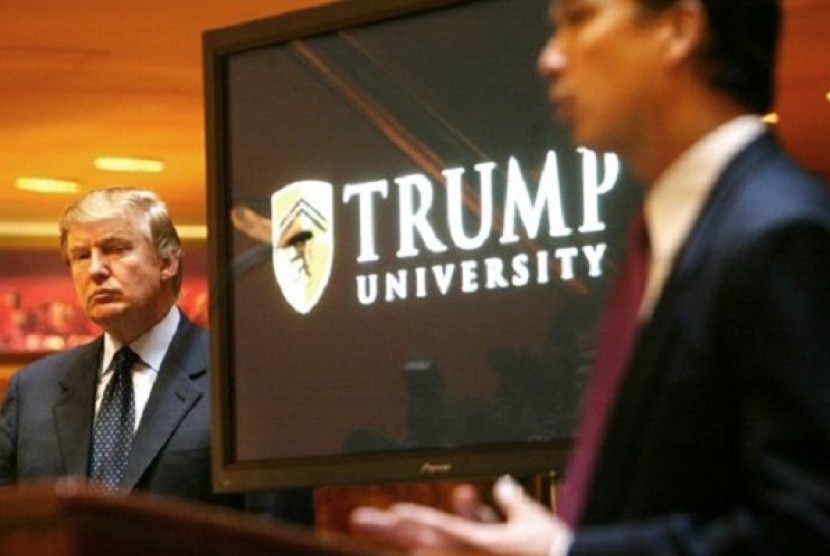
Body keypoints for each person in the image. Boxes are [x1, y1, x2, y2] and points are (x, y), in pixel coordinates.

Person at [350, 0, 830, 554]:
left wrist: (562, 554)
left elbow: (805, 531)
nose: (549, 60)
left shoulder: (782, 233)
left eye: (579, 19)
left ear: (680, 28)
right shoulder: (672, 239)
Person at [0, 188, 238, 507]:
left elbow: (278, 531)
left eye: (115, 249)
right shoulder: (33, 390)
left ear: (167, 262)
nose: (96, 270)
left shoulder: (237, 376)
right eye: (82, 256)